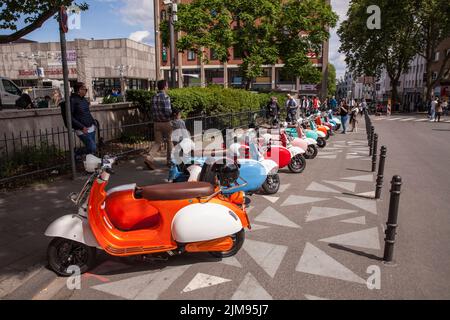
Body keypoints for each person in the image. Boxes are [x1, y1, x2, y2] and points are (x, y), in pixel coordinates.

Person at [145, 80, 173, 170]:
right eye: (167, 86)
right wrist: (173, 114)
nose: (168, 87)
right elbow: (167, 111)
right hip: (166, 122)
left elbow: (152, 110)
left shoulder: (154, 97)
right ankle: (169, 161)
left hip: (156, 123)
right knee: (169, 141)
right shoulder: (166, 97)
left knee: (157, 142)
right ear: (164, 87)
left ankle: (149, 157)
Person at [70, 82, 97, 155]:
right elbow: (70, 117)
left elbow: (87, 113)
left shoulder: (84, 100)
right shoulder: (72, 100)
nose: (86, 91)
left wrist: (94, 123)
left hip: (91, 127)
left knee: (92, 149)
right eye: (85, 89)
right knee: (92, 148)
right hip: (82, 129)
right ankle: (77, 153)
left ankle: (90, 163)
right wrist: (82, 127)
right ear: (79, 90)